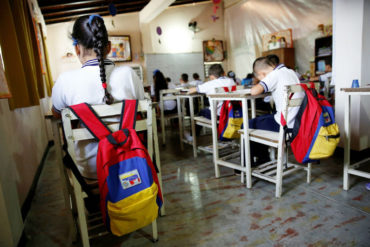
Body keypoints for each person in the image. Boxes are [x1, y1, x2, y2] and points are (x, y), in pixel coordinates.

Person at [52, 15, 145, 179]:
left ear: (77, 49)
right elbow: (142, 108)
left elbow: (57, 114)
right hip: (132, 158)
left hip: (91, 168)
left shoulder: (64, 81)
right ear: (108, 47)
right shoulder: (129, 74)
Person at [249, 56, 303, 164]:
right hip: (298, 123)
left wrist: (260, 83)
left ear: (262, 74)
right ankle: (262, 157)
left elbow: (253, 91)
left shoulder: (275, 74)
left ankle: (247, 165)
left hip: (284, 125)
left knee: (248, 124)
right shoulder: (291, 72)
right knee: (260, 120)